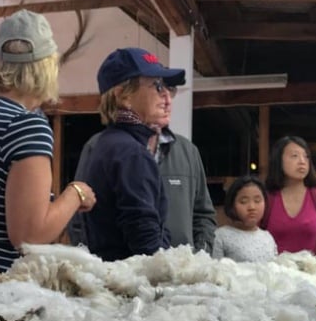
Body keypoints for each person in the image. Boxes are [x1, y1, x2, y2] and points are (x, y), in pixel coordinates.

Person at [0, 9, 96, 274]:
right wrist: (75, 194)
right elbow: (29, 236)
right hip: (1, 288)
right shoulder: (26, 126)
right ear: (48, 67)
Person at [68, 63, 216, 254]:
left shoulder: (187, 151)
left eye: (170, 89)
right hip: (146, 277)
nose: (167, 98)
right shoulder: (126, 152)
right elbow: (146, 242)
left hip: (163, 275)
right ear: (124, 96)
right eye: (157, 87)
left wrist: (199, 259)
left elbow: (203, 214)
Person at [261, 135, 316, 258]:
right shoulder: (267, 199)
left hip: (311, 273)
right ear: (279, 160)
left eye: (306, 157)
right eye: (294, 156)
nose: (302, 161)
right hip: (273, 274)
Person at [212, 175, 277, 262]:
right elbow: (214, 272)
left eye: (257, 201)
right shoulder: (220, 236)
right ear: (232, 205)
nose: (252, 207)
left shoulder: (268, 237)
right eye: (243, 202)